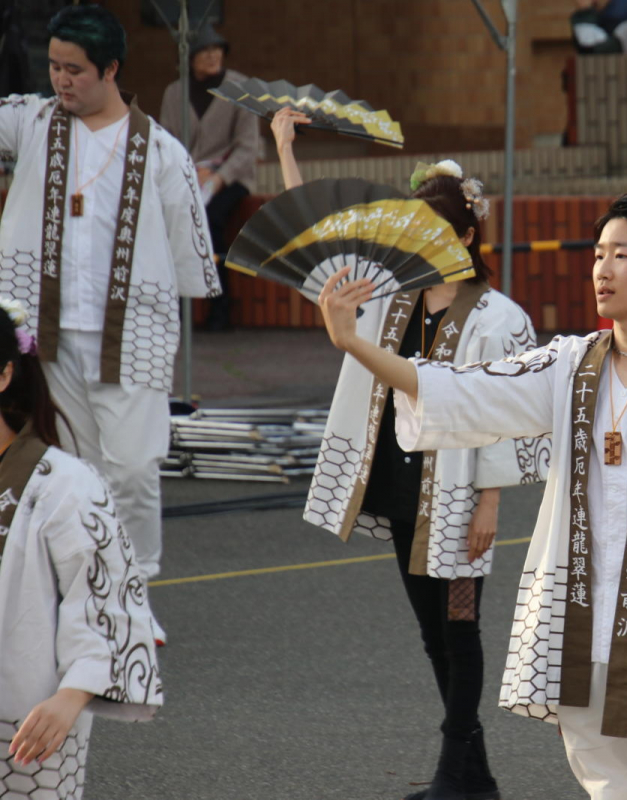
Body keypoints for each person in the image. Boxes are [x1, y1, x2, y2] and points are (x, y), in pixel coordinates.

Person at [316, 188, 627, 800]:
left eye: (622, 255)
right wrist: (356, 345)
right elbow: (462, 391)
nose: (601, 268)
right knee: (598, 772)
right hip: (575, 611)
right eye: (598, 254)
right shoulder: (569, 364)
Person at [271, 109, 545, 800]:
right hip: (400, 488)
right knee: (432, 634)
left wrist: (490, 503)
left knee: (462, 626)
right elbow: (316, 255)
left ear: (469, 235)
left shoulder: (499, 317)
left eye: (438, 232)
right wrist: (284, 149)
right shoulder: (384, 297)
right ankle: (473, 777)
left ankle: (456, 772)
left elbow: (511, 419)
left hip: (459, 495)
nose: (422, 243)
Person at [0, 5, 220, 638]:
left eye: (74, 70)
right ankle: (79, 590)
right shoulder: (35, 121)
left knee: (131, 469)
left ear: (111, 70)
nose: (61, 80)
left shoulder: (163, 154)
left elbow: (190, 254)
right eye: (53, 66)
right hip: (45, 334)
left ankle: (134, 588)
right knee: (68, 465)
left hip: (131, 335)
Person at [0, 296, 163, 799]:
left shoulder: (64, 483)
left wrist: (70, 697)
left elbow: (105, 598)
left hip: (25, 721)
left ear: (4, 375)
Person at [160, 24, 259, 332]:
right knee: (170, 222)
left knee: (212, 221)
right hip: (187, 177)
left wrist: (217, 177)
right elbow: (166, 141)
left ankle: (220, 306)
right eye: (205, 50)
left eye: (218, 49)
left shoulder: (241, 88)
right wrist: (188, 172)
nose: (214, 55)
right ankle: (173, 309)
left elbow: (248, 147)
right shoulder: (174, 92)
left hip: (232, 178)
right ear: (189, 58)